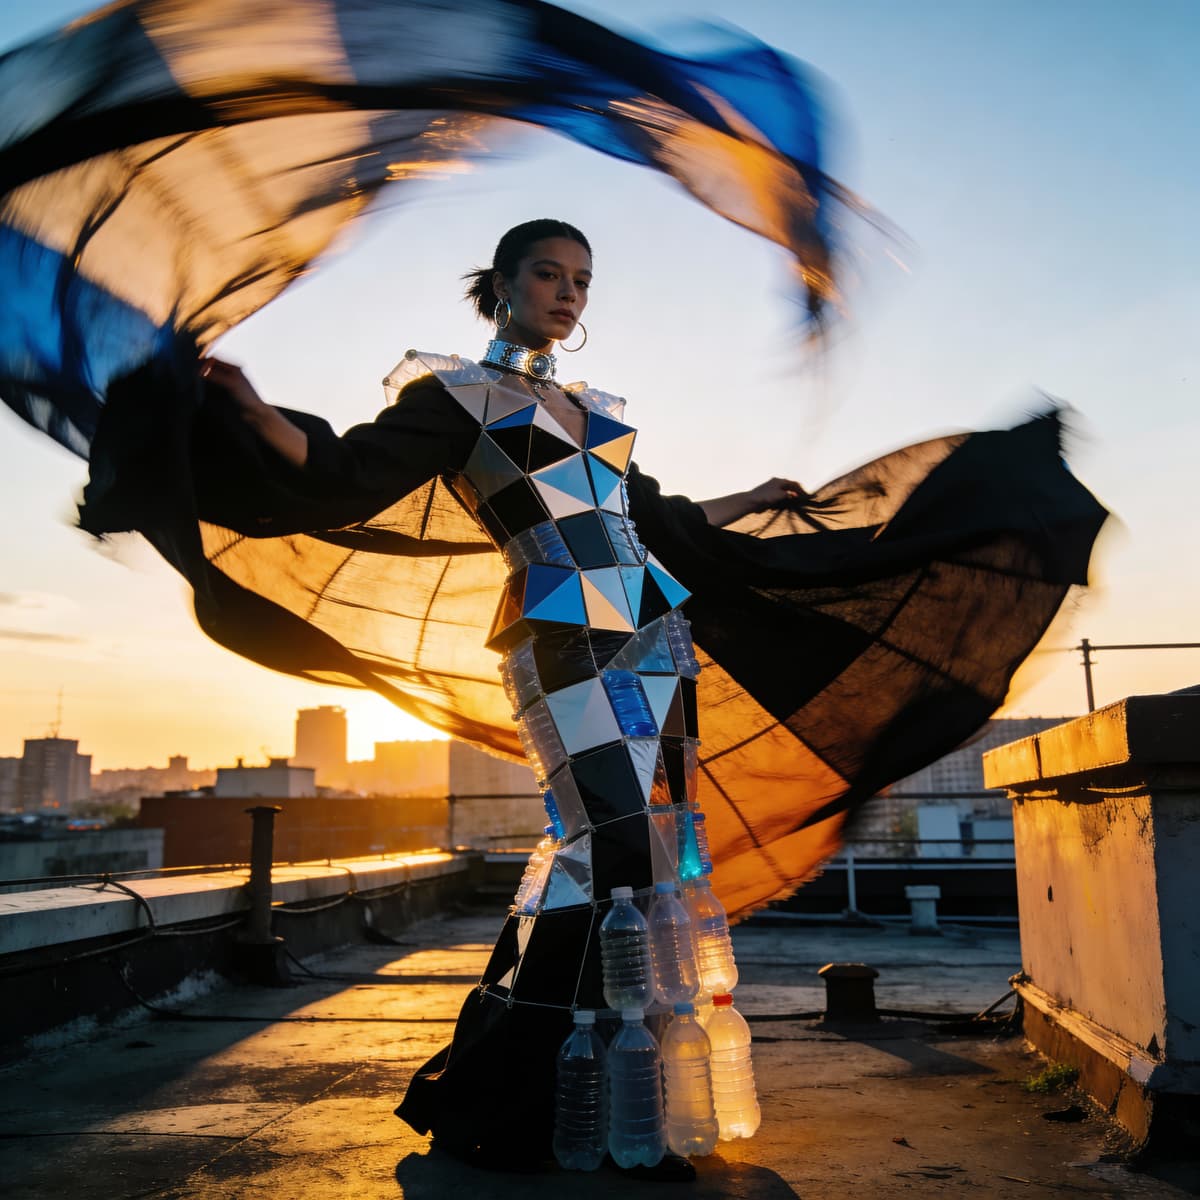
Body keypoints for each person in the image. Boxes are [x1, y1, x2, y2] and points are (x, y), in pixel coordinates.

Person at [200, 217, 804, 1174]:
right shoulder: (456, 396)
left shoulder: (592, 409)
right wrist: (250, 407)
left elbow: (653, 518)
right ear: (505, 282)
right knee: (597, 843)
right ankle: (517, 1098)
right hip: (560, 631)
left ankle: (630, 1111)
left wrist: (752, 499)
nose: (568, 294)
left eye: (583, 281)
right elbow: (346, 475)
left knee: (651, 861)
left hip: (656, 635)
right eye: (550, 274)